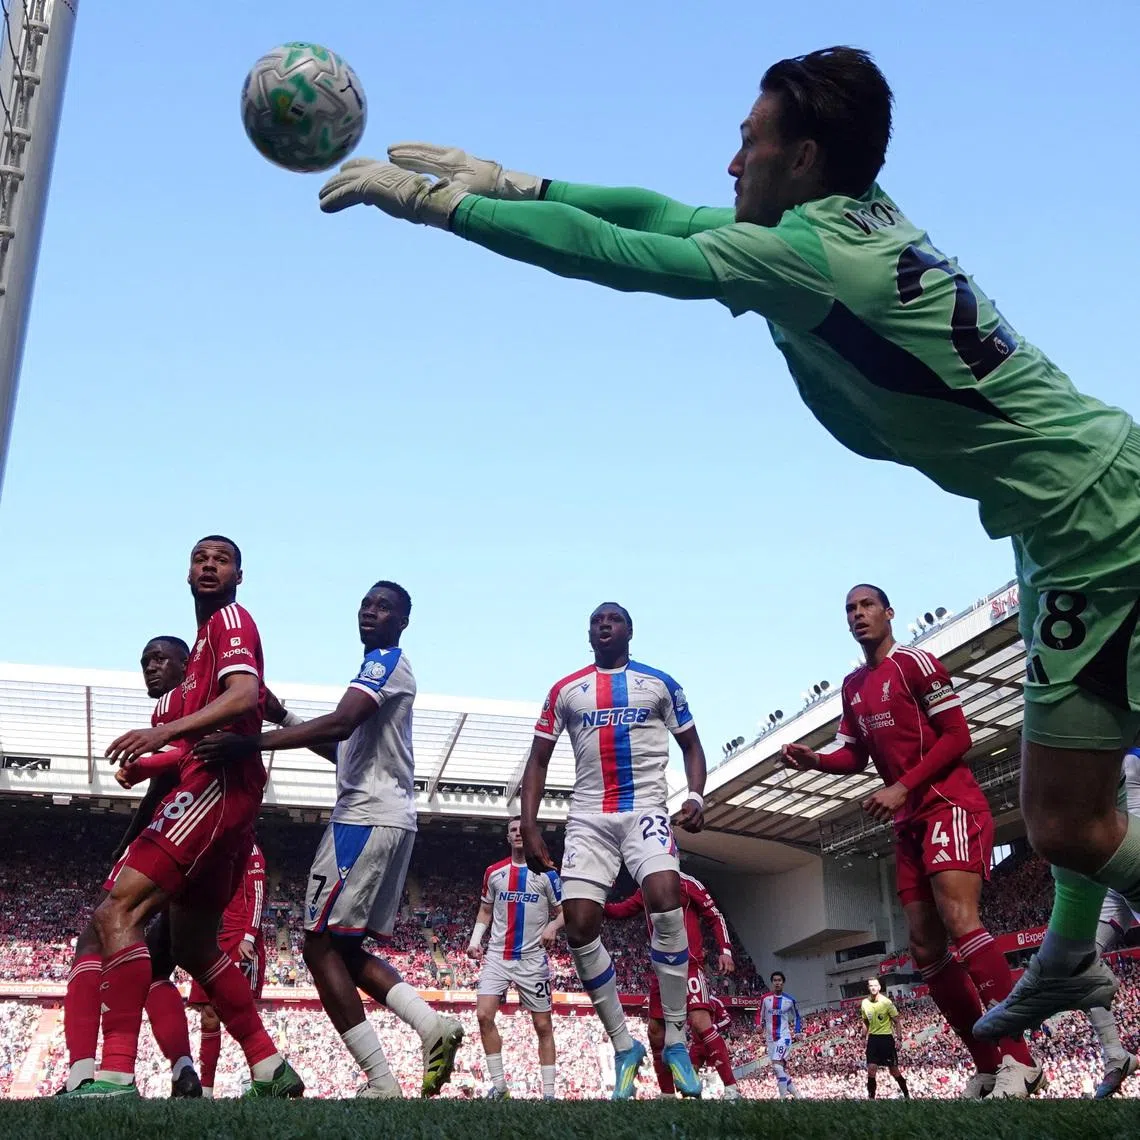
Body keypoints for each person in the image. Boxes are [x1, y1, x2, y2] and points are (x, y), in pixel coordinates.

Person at [318, 46, 1140, 1032]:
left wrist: (437, 206)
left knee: (1065, 823)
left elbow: (613, 252)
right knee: (1076, 812)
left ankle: (1067, 958)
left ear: (801, 156)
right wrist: (520, 181)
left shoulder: (806, 257)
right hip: (1067, 509)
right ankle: (1065, 958)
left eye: (747, 141)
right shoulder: (849, 217)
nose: (729, 162)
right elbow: (664, 213)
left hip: (1094, 520)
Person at [197, 580, 464, 1098]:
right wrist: (283, 717)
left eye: (383, 606)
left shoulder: (384, 664)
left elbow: (341, 724)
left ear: (403, 620)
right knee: (341, 947)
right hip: (383, 817)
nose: (370, 611)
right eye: (366, 603)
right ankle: (431, 1027)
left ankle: (381, 1080)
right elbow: (346, 752)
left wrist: (249, 743)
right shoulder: (379, 674)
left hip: (362, 821)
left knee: (317, 946)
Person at [64, 536, 302, 1098]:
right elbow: (234, 719)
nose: (209, 565)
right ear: (186, 573)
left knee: (118, 909)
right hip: (220, 798)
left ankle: (115, 1073)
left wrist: (163, 734)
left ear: (240, 574)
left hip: (216, 790)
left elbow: (245, 698)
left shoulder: (231, 621)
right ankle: (270, 1068)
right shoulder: (199, 655)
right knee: (194, 946)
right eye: (200, 558)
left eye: (221, 559)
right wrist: (152, 764)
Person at [782, 584, 1042, 1098]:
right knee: (924, 948)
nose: (858, 615)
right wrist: (816, 761)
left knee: (961, 921)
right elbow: (853, 756)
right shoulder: (853, 684)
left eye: (866, 606)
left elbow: (957, 736)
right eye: (850, 609)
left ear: (889, 613)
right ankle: (988, 1066)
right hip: (909, 821)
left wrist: (902, 786)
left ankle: (1021, 1058)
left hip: (950, 803)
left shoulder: (916, 663)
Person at [515, 602, 708, 1099]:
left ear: (629, 630)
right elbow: (538, 760)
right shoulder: (565, 690)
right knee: (579, 925)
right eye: (596, 620)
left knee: (666, 897)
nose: (603, 624)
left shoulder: (660, 684)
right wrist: (530, 822)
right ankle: (625, 1046)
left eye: (613, 619)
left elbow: (691, 746)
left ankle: (678, 1043)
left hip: (646, 806)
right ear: (588, 633)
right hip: (588, 816)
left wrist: (694, 796)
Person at [60, 636, 199, 1097]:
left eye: (161, 658)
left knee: (97, 935)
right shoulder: (185, 704)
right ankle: (185, 1070)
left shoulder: (183, 702)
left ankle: (91, 1074)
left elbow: (188, 757)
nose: (151, 667)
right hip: (201, 834)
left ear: (186, 663)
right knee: (158, 967)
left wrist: (147, 765)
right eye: (145, 661)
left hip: (174, 831)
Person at [605, 870, 739, 1099]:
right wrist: (595, 900)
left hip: (690, 966)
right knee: (656, 1033)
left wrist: (725, 950)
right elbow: (621, 910)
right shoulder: (646, 887)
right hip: (660, 971)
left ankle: (731, 1088)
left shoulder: (687, 883)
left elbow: (714, 915)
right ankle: (667, 1095)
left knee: (700, 1022)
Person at [467, 816, 564, 1100]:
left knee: (543, 1025)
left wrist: (553, 926)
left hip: (532, 960)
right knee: (483, 1015)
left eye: (522, 830)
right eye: (512, 830)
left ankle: (549, 1094)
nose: (517, 834)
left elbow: (564, 912)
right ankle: (499, 1087)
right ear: (508, 838)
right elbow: (485, 910)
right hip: (498, 955)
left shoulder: (548, 874)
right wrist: (475, 942)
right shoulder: (494, 872)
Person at [187, 841, 267, 1099]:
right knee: (208, 1014)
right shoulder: (211, 846)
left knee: (243, 1014)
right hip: (211, 938)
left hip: (239, 940)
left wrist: (249, 936)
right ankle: (205, 1092)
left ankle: (264, 1082)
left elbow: (257, 892)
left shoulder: (249, 848)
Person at [1085, 747, 1140, 1097]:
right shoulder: (1085, 745)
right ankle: (1116, 1056)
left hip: (1136, 856)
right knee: (1079, 961)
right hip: (1107, 871)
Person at [861, 978, 908, 1100]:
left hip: (886, 1039)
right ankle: (871, 1098)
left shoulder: (886, 1002)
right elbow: (865, 1021)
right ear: (868, 987)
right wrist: (862, 1037)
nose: (873, 987)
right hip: (873, 1039)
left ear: (879, 987)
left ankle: (907, 1095)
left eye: (875, 985)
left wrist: (899, 1039)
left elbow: (897, 1021)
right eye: (870, 985)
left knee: (894, 1071)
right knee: (871, 1069)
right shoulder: (865, 1003)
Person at [757, 972, 800, 1099]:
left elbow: (797, 1016)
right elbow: (758, 1014)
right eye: (775, 980)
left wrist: (797, 1031)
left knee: (777, 1066)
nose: (777, 982)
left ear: (783, 982)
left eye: (780, 980)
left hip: (784, 1037)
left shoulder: (789, 1000)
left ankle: (782, 1099)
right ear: (772, 982)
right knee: (779, 1070)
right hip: (770, 1039)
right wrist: (758, 1025)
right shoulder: (765, 998)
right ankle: (798, 1095)